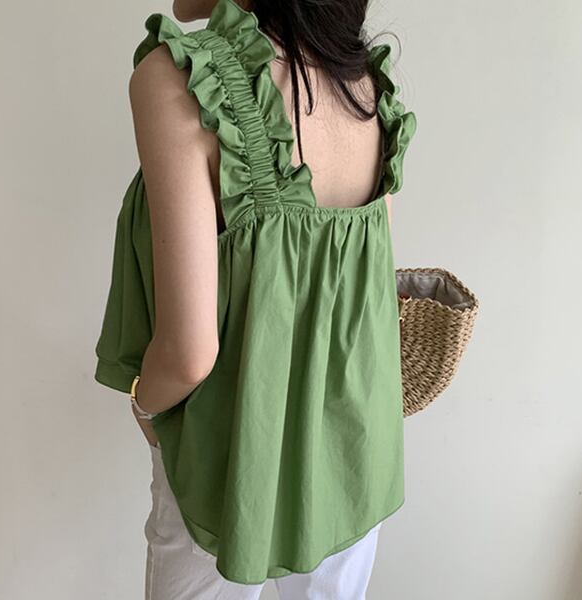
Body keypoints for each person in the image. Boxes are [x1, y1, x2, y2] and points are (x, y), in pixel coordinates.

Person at [93, 0, 417, 597]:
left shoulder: (179, 80)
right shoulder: (366, 87)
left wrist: (144, 404)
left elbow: (189, 354)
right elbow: (371, 294)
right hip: (353, 453)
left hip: (226, 465)